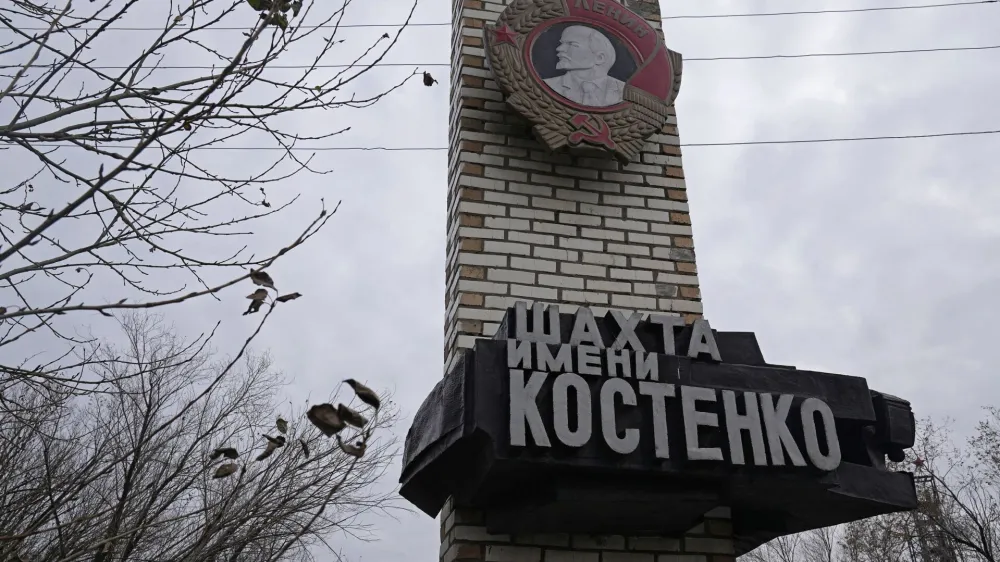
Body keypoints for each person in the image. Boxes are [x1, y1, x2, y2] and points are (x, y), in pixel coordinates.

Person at [543, 25, 625, 107]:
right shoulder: (546, 85)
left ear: (599, 58)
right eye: (562, 43)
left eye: (572, 44)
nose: (559, 48)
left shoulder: (624, 91)